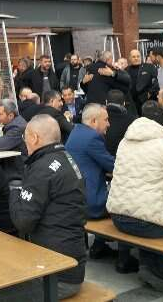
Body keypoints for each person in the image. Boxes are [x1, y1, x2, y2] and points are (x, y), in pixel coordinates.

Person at [107, 101, 163, 291]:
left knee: (147, 211)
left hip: (118, 216)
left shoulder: (124, 142)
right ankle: (153, 266)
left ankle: (130, 259)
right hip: (147, 224)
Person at [9, 114, 87, 300]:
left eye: (25, 137)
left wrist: (13, 193)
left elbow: (23, 222)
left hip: (55, 276)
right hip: (71, 264)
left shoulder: (42, 169)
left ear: (34, 138)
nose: (24, 142)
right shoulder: (66, 158)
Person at [66, 103, 114, 259]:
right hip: (92, 205)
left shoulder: (76, 132)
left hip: (76, 200)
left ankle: (99, 246)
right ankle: (125, 257)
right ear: (94, 121)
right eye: (106, 120)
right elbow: (113, 166)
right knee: (128, 204)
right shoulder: (92, 138)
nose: (109, 124)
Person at [126, 49, 159, 115]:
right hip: (132, 103)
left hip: (148, 102)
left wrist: (149, 93)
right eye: (133, 57)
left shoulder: (149, 67)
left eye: (138, 56)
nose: (136, 58)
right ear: (129, 58)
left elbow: (156, 82)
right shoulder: (126, 70)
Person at [104, 89, 136, 156]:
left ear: (106, 102)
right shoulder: (132, 120)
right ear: (124, 103)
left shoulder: (98, 117)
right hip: (122, 157)